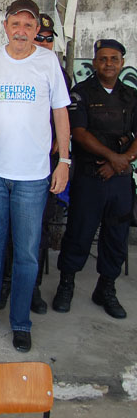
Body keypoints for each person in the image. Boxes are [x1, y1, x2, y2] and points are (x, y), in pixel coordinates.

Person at [0, 0, 70, 354]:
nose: (21, 31)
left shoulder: (48, 62)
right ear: (5, 26)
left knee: (26, 253)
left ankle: (21, 322)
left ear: (37, 29)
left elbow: (61, 113)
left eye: (28, 25)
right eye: (15, 24)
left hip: (33, 177)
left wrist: (64, 161)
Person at [53, 39, 137, 319]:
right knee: (79, 232)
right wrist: (113, 157)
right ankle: (66, 285)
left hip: (120, 178)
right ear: (94, 62)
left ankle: (106, 289)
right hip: (89, 176)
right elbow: (79, 133)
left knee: (116, 235)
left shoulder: (131, 96)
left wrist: (120, 161)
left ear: (122, 63)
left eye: (114, 59)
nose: (108, 64)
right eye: (103, 58)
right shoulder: (81, 93)